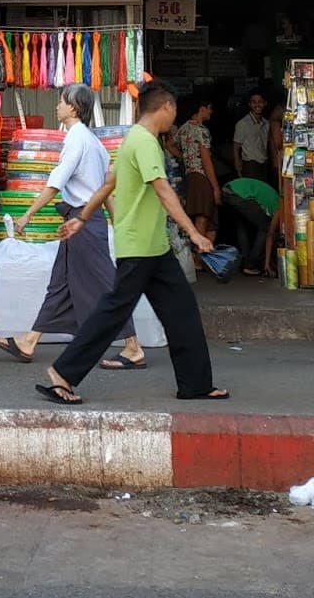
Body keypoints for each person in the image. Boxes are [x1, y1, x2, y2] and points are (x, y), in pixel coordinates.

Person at [36, 81, 228, 406]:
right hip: (140, 247)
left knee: (182, 312)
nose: (174, 118)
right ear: (165, 107)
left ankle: (195, 384)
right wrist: (194, 233)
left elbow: (107, 184)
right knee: (112, 313)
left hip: (154, 247)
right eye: (174, 111)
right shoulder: (144, 142)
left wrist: (82, 217)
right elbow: (163, 190)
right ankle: (62, 374)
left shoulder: (132, 141)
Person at [0, 83, 146, 370]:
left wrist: (27, 216)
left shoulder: (77, 140)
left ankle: (133, 347)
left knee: (107, 287)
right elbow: (105, 190)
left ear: (73, 108)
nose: (57, 106)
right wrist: (114, 221)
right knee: (59, 286)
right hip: (85, 221)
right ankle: (29, 341)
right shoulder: (95, 143)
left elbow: (54, 184)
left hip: (82, 223)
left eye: (61, 101)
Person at [174, 94, 220, 244]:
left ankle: (202, 257)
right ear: (202, 109)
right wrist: (215, 188)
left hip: (189, 176)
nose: (211, 112)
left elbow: (169, 145)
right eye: (209, 109)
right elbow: (206, 161)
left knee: (206, 217)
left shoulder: (183, 128)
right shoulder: (202, 131)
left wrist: (185, 158)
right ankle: (199, 257)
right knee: (203, 217)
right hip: (201, 177)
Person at [222, 176, 279, 277]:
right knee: (264, 226)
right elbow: (270, 233)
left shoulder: (275, 200)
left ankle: (244, 262)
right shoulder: (279, 208)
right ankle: (250, 265)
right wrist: (267, 264)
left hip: (229, 190)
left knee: (242, 226)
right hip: (238, 194)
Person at [233, 90, 269, 181]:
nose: (257, 105)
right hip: (250, 165)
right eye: (254, 102)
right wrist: (238, 165)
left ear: (265, 103)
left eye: (260, 102)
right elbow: (236, 146)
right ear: (249, 104)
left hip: (264, 163)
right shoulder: (243, 124)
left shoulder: (266, 123)